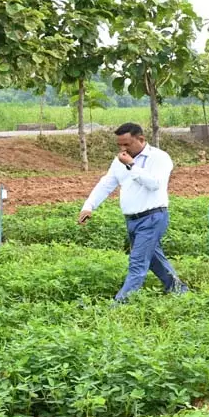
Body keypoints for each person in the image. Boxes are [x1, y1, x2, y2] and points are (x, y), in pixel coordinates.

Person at [78, 123, 188, 302]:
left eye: (127, 144)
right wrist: (89, 206)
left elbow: (154, 184)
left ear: (141, 139)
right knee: (153, 259)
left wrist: (131, 165)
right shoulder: (119, 161)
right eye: (119, 145)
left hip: (153, 217)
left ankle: (119, 305)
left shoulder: (159, 158)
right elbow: (106, 184)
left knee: (137, 263)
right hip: (132, 220)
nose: (122, 149)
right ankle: (179, 290)